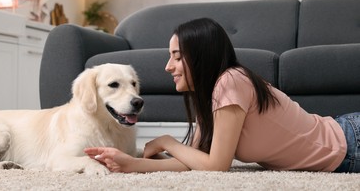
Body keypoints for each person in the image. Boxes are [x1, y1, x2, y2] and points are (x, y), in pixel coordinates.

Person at [84, 17, 360, 173]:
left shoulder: (231, 81)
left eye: (177, 58)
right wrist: (133, 163)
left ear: (200, 57)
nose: (168, 67)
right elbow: (195, 161)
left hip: (349, 144)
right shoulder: (211, 94)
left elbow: (216, 166)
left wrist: (167, 141)